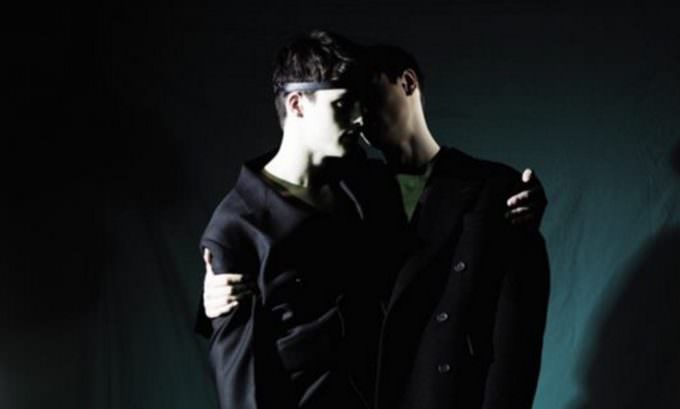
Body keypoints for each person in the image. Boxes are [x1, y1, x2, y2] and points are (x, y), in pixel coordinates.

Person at [200, 38, 550, 409]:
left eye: (367, 96)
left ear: (408, 83)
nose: (359, 116)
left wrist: (526, 200)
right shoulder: (355, 187)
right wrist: (218, 302)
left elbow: (515, 337)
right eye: (347, 102)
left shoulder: (492, 189)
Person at [196, 30, 403, 409]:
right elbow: (240, 382)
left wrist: (507, 196)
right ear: (296, 104)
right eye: (342, 104)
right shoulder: (236, 228)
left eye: (359, 103)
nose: (359, 117)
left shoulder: (367, 184)